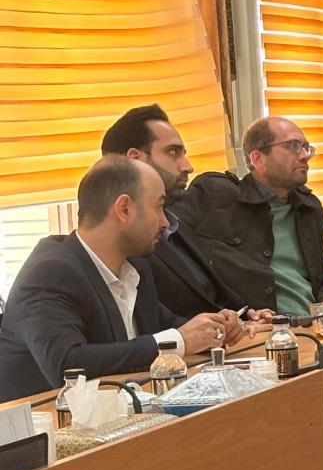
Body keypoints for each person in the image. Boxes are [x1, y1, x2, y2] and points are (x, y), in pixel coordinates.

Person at [0, 157, 244, 402]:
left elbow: (165, 325)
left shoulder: (135, 265)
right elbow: (67, 365)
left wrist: (215, 328)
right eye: (159, 207)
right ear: (124, 209)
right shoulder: (50, 273)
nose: (166, 222)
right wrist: (179, 341)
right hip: (46, 420)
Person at [100, 105, 274, 331]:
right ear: (135, 159)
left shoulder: (176, 224)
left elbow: (210, 298)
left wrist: (245, 316)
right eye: (173, 152)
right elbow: (153, 325)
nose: (188, 166)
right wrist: (224, 330)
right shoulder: (120, 241)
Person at [175, 117, 323, 315]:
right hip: (261, 327)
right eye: (294, 146)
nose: (305, 156)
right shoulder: (215, 197)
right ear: (257, 159)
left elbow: (321, 284)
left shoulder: (310, 208)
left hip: (313, 325)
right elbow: (166, 240)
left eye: (306, 147)